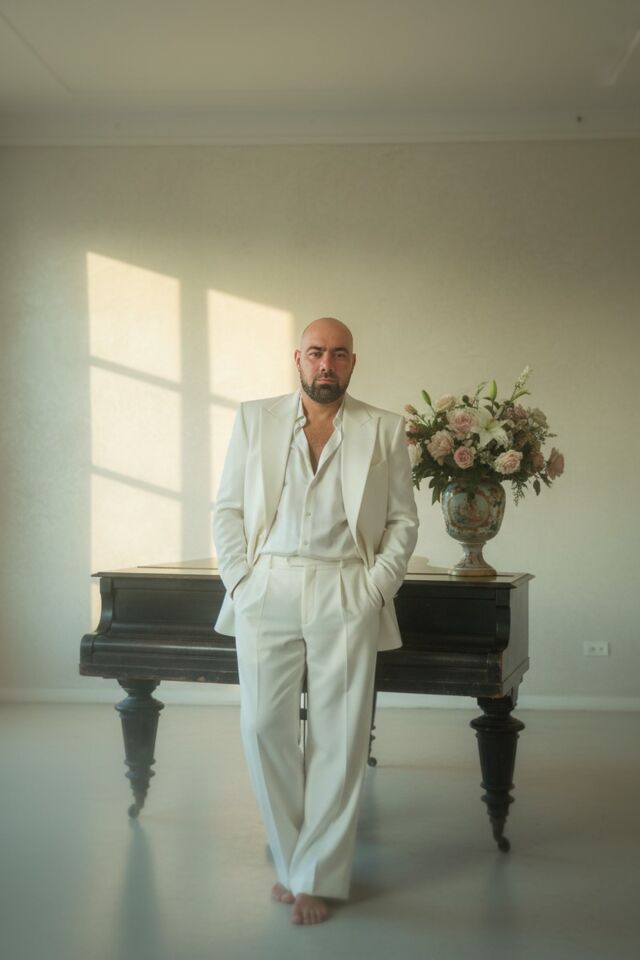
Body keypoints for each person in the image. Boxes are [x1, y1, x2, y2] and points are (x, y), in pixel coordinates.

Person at [213, 317, 418, 925]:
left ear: (353, 362)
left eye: (339, 354)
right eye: (316, 352)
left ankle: (315, 877)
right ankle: (292, 859)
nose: (327, 363)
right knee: (262, 727)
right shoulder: (254, 419)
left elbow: (403, 520)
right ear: (297, 358)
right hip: (267, 585)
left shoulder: (384, 428)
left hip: (346, 585)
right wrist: (241, 582)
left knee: (341, 735)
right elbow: (227, 508)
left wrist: (375, 588)